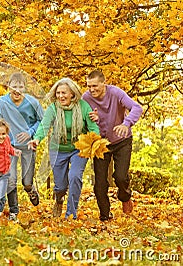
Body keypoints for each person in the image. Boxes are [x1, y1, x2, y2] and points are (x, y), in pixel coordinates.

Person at [29, 78, 99, 219]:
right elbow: (44, 125)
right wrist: (37, 139)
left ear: (72, 94)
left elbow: (93, 128)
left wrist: (95, 143)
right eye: (58, 93)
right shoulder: (54, 108)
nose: (61, 96)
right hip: (58, 149)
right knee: (60, 186)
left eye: (64, 93)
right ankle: (59, 199)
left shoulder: (84, 107)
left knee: (75, 177)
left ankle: (71, 214)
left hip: (79, 148)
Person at [82, 69, 143, 221]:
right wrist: (93, 120)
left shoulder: (116, 93)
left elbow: (137, 108)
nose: (92, 89)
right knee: (100, 182)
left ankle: (125, 196)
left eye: (95, 86)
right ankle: (105, 215)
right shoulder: (86, 98)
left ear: (104, 83)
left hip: (122, 140)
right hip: (101, 144)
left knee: (120, 177)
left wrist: (126, 123)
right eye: (89, 86)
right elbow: (83, 120)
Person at [0, 72, 44, 221]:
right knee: (10, 179)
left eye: (20, 86)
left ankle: (30, 190)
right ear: (8, 87)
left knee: (26, 182)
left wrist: (30, 132)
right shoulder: (2, 102)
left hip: (28, 146)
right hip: (9, 146)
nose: (17, 90)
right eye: (14, 86)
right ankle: (14, 211)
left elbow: (42, 121)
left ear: (25, 88)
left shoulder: (32, 102)